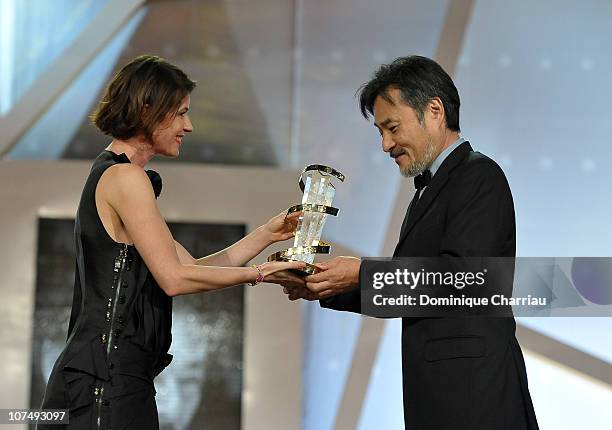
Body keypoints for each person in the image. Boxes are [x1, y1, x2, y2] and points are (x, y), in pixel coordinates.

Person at [38, 55, 304, 429]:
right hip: (105, 382)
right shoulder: (125, 178)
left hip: (109, 378)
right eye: (180, 113)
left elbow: (191, 268)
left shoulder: (120, 176)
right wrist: (259, 274)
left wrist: (266, 235)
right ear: (147, 109)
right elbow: (174, 279)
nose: (189, 126)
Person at [284, 56, 539, 429]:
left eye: (392, 127)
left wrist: (362, 274)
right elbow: (415, 289)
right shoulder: (429, 189)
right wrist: (324, 285)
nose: (386, 144)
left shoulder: (479, 176)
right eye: (380, 132)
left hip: (474, 397)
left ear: (434, 110)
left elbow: (462, 280)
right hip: (441, 394)